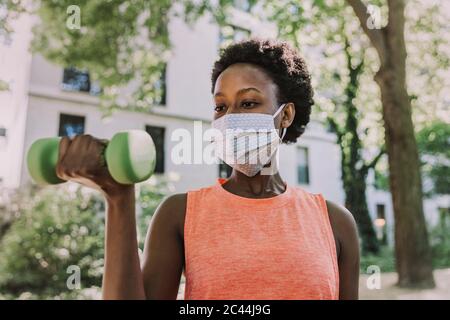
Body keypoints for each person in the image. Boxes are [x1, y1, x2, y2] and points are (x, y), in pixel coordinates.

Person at [56, 38, 360, 300]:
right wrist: (118, 198)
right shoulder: (179, 214)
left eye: (248, 103)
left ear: (286, 115)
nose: (230, 117)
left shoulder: (335, 223)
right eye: (220, 106)